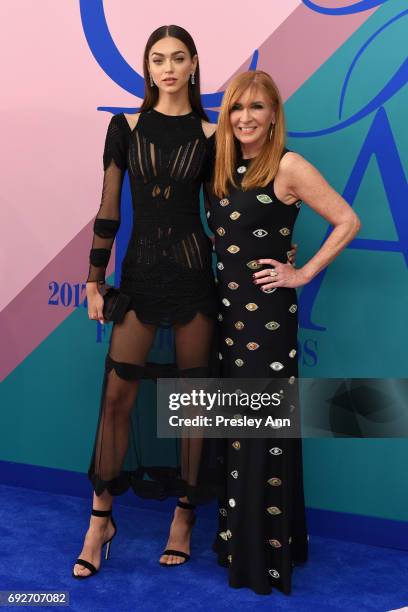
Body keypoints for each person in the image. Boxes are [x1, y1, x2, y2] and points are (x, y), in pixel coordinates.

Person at [72, 25, 222, 578]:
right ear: (147, 67)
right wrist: (93, 279)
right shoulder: (125, 126)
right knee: (116, 400)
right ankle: (99, 519)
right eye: (157, 59)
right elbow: (109, 209)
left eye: (178, 57)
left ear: (193, 63)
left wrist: (273, 241)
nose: (167, 68)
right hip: (136, 278)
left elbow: (223, 212)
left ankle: (183, 515)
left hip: (193, 279)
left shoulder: (212, 134)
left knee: (194, 402)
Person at [206, 70, 361, 595]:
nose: (245, 117)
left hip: (267, 323)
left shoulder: (289, 166)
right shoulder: (225, 164)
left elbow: (347, 220)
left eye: (256, 108)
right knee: (236, 430)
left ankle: (261, 559)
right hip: (226, 317)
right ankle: (245, 538)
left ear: (275, 114)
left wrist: (301, 272)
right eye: (235, 108)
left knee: (260, 432)